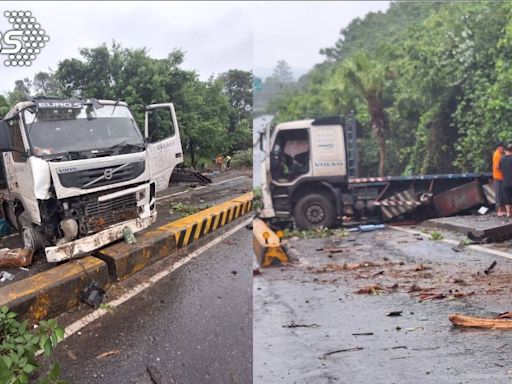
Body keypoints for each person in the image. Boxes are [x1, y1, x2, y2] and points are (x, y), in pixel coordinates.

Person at [499, 144, 512, 217]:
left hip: (505, 182)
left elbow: (500, 168)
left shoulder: (502, 159)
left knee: (507, 197)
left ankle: (508, 213)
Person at [493, 143, 506, 216]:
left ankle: (501, 210)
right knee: (499, 194)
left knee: (501, 194)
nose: (503, 149)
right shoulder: (497, 155)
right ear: (499, 147)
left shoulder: (500, 154)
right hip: (498, 177)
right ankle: (499, 211)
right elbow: (497, 166)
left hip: (501, 177)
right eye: (502, 148)